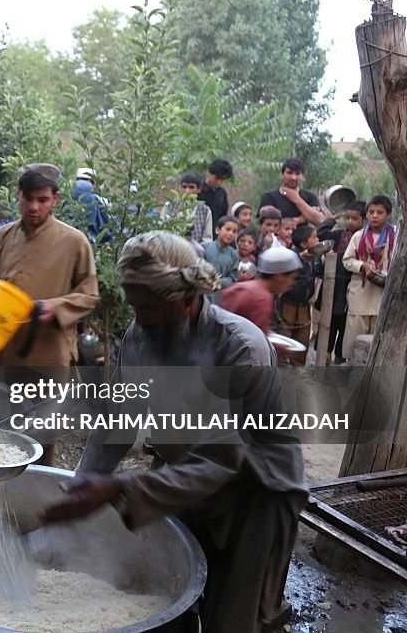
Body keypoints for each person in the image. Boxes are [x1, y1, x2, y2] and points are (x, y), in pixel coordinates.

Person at [47, 231, 307, 633]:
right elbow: (119, 417)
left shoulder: (242, 349)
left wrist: (118, 489)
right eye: (134, 306)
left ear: (185, 300)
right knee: (172, 595)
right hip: (181, 476)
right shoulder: (140, 336)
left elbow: (221, 459)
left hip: (255, 492)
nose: (139, 318)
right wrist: (79, 489)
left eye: (148, 307)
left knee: (232, 618)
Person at [0, 164, 99, 463]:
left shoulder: (74, 242)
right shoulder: (4, 236)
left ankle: (34, 491)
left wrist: (55, 307)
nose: (34, 207)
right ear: (18, 196)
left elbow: (89, 294)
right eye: (28, 199)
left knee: (39, 431)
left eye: (43, 200)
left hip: (46, 350)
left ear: (55, 199)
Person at [342, 195, 394, 362]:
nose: (375, 216)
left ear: (389, 214)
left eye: (380, 212)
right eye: (371, 212)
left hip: (384, 294)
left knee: (379, 333)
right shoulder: (358, 236)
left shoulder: (395, 237)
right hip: (361, 293)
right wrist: (363, 265)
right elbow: (347, 260)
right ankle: (352, 367)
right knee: (355, 332)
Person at [314, 201, 365, 363]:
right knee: (327, 327)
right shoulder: (339, 235)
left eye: (355, 218)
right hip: (333, 288)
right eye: (348, 218)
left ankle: (340, 361)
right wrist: (330, 220)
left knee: (345, 329)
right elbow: (322, 233)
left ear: (364, 220)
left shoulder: (365, 238)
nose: (350, 222)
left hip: (351, 290)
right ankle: (324, 359)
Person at [220, 246, 301, 336]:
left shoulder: (243, 287)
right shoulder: (262, 298)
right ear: (279, 275)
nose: (291, 283)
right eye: (291, 278)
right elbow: (256, 338)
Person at [276, 224, 321, 366]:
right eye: (314, 237)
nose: (318, 239)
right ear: (303, 244)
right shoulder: (292, 255)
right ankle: (278, 368)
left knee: (302, 341)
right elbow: (289, 264)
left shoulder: (315, 258)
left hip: (304, 306)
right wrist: (300, 257)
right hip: (288, 305)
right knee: (284, 339)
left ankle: (298, 372)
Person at [259, 158, 323, 226]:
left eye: (297, 173)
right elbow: (270, 225)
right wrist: (302, 218)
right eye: (289, 173)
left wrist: (297, 199)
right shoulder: (269, 197)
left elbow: (320, 221)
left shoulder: (310, 197)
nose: (293, 177)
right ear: (282, 175)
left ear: (302, 176)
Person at [202, 216, 240, 292]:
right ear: (217, 230)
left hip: (220, 294)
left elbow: (233, 278)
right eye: (228, 229)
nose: (231, 234)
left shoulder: (234, 255)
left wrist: (219, 281)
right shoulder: (204, 247)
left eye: (234, 231)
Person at [198, 159, 232, 232]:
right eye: (217, 178)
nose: (219, 182)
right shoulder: (198, 191)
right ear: (209, 173)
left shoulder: (222, 193)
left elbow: (223, 216)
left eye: (222, 179)